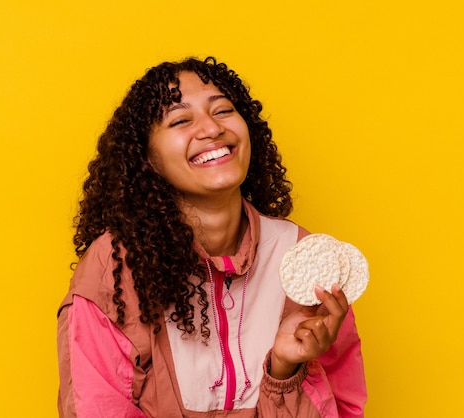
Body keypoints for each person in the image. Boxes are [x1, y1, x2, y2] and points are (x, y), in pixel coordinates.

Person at [57, 57, 367, 417]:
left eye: (223, 110)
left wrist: (285, 370)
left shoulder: (302, 256)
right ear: (148, 159)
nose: (211, 128)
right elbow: (95, 407)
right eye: (180, 120)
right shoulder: (115, 267)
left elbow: (346, 406)